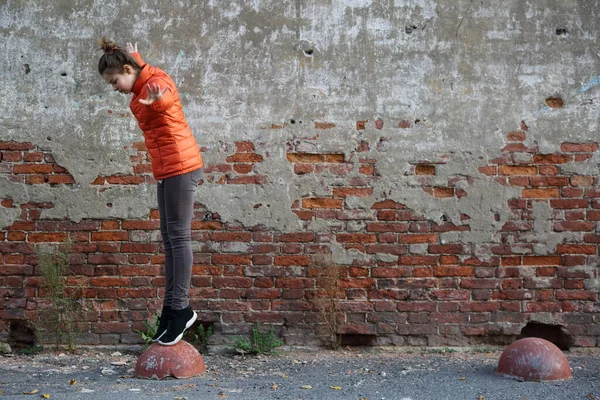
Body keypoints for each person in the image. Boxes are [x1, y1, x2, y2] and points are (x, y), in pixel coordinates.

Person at [97, 38, 203, 346]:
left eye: (115, 80)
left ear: (128, 70)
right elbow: (144, 75)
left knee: (179, 238)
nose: (114, 87)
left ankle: (182, 309)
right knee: (169, 239)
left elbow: (165, 95)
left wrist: (158, 101)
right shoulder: (142, 80)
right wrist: (137, 60)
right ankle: (170, 311)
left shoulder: (157, 84)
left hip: (182, 167)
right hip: (168, 169)